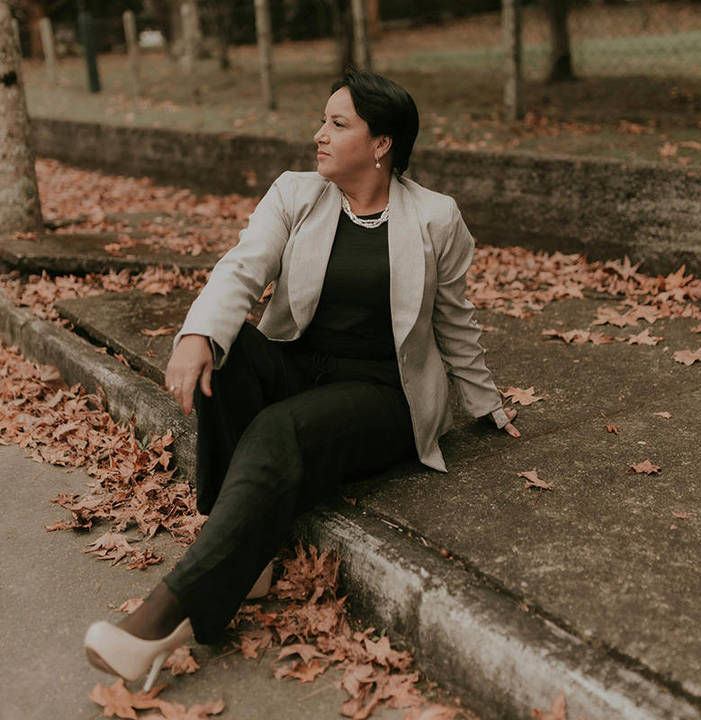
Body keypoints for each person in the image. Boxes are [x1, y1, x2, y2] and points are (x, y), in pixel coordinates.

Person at [83, 68, 520, 691]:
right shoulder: (296, 193)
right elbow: (243, 266)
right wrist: (198, 334)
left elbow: (453, 319)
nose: (319, 134)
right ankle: (247, 554)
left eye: (338, 124)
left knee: (276, 430)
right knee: (228, 349)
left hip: (382, 395)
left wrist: (486, 405)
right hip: (302, 367)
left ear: (381, 143)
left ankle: (162, 619)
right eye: (322, 120)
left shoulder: (435, 217)